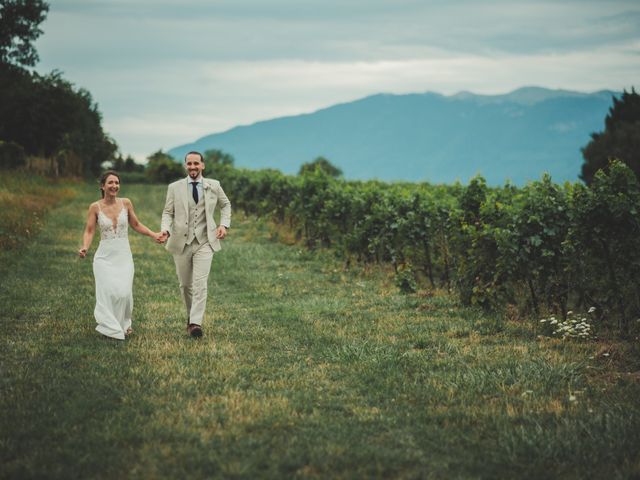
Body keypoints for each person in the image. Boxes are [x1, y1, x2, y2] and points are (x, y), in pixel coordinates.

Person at [79, 170, 162, 340]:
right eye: (110, 183)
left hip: (123, 255)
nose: (114, 186)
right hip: (104, 257)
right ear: (102, 186)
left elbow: (136, 224)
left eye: (117, 183)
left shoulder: (126, 203)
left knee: (124, 292)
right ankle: (110, 326)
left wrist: (154, 234)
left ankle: (125, 323)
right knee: (108, 291)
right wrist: (85, 247)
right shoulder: (95, 207)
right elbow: (89, 230)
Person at [158, 151, 231, 338]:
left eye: (196, 163)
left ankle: (195, 323)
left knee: (200, 283)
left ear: (202, 165)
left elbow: (226, 205)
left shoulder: (214, 185)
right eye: (189, 164)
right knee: (185, 285)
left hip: (205, 241)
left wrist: (223, 224)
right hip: (181, 242)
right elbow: (168, 212)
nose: (192, 167)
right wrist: (165, 229)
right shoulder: (174, 188)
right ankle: (191, 317)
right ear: (185, 166)